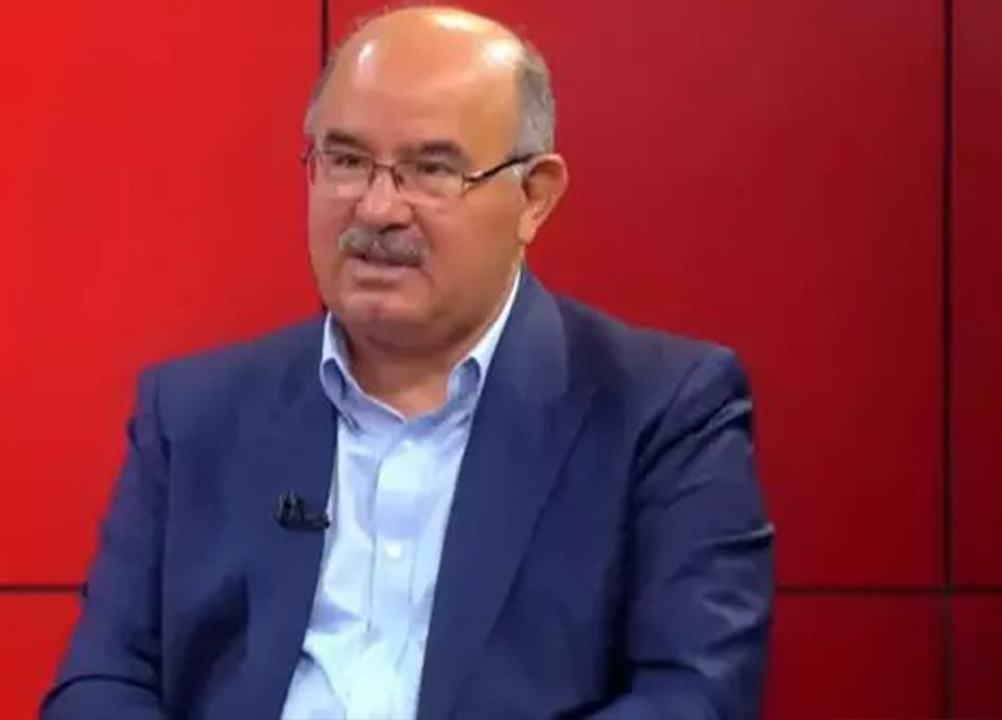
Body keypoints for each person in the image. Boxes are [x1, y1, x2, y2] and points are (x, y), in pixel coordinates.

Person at [40, 6, 774, 719]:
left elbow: (696, 696)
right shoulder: (194, 413)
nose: (377, 208)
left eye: (431, 169)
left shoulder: (660, 411)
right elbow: (98, 686)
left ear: (534, 198)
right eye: (346, 161)